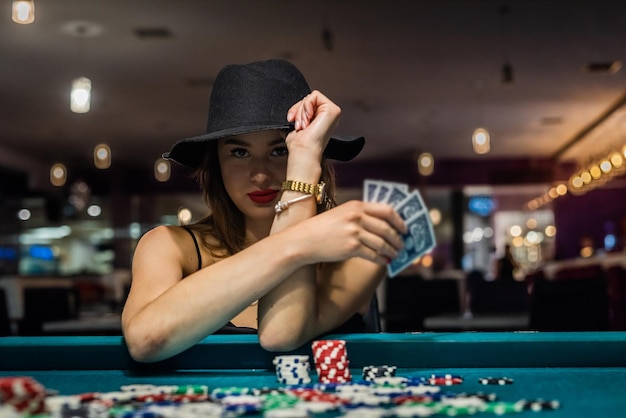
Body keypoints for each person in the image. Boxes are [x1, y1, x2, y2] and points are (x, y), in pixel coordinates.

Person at [122, 59, 406, 363]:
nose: (260, 175)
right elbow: (146, 340)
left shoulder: (356, 249)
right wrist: (302, 242)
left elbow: (279, 333)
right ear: (216, 165)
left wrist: (305, 156)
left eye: (280, 150)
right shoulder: (167, 245)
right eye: (239, 152)